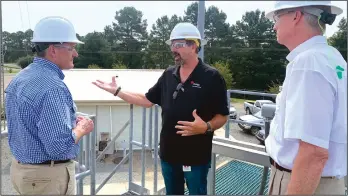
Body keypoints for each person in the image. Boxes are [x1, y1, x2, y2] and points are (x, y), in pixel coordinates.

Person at [93, 22, 229, 195]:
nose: (173, 49)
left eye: (178, 44)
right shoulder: (169, 74)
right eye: (172, 44)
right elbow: (147, 99)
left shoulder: (211, 77)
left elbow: (222, 116)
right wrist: (118, 91)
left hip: (195, 158)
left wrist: (206, 127)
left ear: (194, 45)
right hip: (169, 155)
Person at [5, 16, 94, 195]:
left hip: (23, 172)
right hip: (46, 179)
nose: (75, 54)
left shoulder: (21, 77)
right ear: (53, 50)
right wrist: (81, 129)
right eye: (72, 48)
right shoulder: (52, 87)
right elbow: (58, 148)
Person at [264, 1, 346, 195]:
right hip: (323, 182)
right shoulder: (333, 58)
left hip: (302, 183)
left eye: (276, 18)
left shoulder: (309, 63)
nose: (274, 25)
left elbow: (314, 153)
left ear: (296, 16)